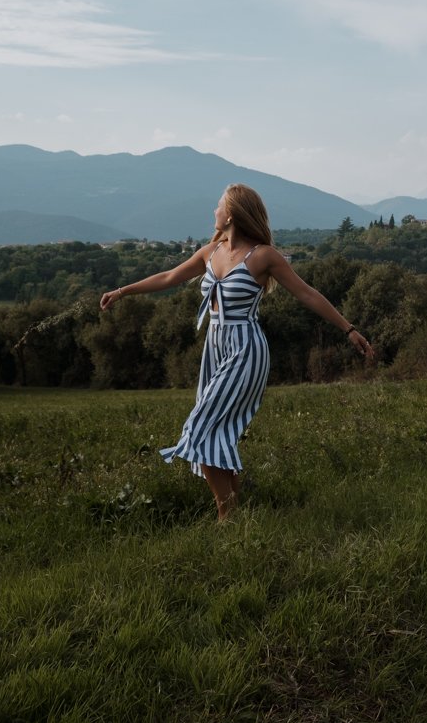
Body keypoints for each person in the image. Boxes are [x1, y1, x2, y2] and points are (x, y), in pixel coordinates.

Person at [100, 183, 374, 520]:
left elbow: (307, 294)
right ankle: (236, 512)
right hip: (213, 348)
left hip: (245, 348)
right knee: (218, 432)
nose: (213, 212)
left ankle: (226, 517)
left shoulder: (262, 256)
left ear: (230, 214)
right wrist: (122, 291)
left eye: (217, 206)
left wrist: (349, 329)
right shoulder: (210, 252)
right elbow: (170, 276)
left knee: (201, 428)